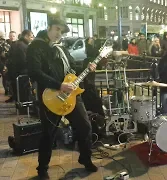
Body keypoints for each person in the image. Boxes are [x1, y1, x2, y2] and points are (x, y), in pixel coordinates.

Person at [26, 19, 97, 180]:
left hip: (71, 95)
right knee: (48, 134)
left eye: (62, 31)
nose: (59, 34)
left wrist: (87, 66)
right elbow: (34, 72)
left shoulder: (61, 48)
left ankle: (85, 158)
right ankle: (42, 168)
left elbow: (72, 68)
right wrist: (59, 85)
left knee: (85, 126)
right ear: (49, 27)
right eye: (57, 29)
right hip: (50, 97)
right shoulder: (35, 47)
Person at [6, 30, 34, 103]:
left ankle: (20, 105)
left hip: (14, 72)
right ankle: (24, 107)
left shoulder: (15, 44)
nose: (32, 39)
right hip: (22, 71)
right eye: (31, 37)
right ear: (26, 36)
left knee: (18, 92)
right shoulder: (23, 46)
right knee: (23, 92)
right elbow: (23, 60)